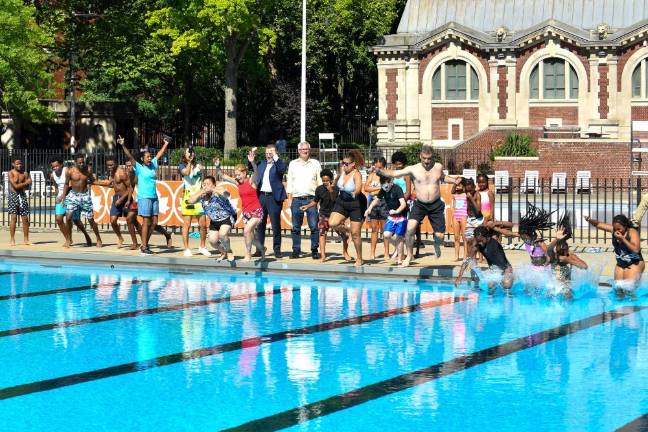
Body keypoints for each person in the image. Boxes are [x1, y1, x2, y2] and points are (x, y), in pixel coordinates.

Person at [376, 146, 462, 267]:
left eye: (429, 159)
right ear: (420, 156)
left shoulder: (438, 167)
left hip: (436, 205)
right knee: (410, 229)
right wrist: (380, 171)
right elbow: (395, 173)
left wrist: (453, 180)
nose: (427, 161)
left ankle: (437, 244)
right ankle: (409, 255)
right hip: (420, 204)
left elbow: (442, 177)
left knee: (440, 236)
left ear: (433, 157)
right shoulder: (413, 169)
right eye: (424, 158)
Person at [119, 136, 171, 255]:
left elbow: (159, 154)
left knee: (154, 222)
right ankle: (144, 247)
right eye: (147, 157)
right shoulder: (139, 167)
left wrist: (166, 144)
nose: (150, 158)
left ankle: (144, 243)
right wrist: (122, 145)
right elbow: (130, 156)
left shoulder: (153, 165)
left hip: (154, 197)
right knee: (146, 221)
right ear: (142, 159)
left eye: (150, 156)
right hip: (144, 197)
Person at [218, 148, 265, 262]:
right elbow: (222, 175)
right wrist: (217, 166)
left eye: (239, 174)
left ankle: (248, 254)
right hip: (246, 213)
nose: (237, 177)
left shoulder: (251, 181)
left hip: (256, 211)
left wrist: (252, 162)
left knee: (246, 231)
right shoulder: (238, 183)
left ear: (245, 173)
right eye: (236, 175)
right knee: (251, 237)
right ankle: (262, 249)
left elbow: (256, 172)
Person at [585, 214, 644, 296]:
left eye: (619, 229)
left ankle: (634, 307)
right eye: (615, 228)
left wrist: (623, 239)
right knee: (618, 291)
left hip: (634, 263)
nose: (617, 231)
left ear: (625, 226)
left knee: (629, 290)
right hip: (621, 264)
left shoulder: (632, 232)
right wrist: (589, 220)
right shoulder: (614, 230)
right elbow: (598, 224)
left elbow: (636, 249)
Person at [248, 143, 287, 258]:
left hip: (273, 197)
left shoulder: (279, 163)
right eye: (267, 153)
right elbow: (251, 168)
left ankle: (277, 250)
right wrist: (251, 159)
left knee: (275, 225)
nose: (268, 155)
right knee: (260, 224)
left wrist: (275, 156)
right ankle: (259, 249)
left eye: (271, 153)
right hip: (261, 197)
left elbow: (282, 169)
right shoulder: (261, 163)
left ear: (275, 153)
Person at [329, 150, 365, 266]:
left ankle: (359, 258)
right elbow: (336, 181)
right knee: (332, 223)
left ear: (353, 164)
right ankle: (347, 231)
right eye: (343, 163)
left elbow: (359, 188)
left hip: (355, 204)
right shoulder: (342, 171)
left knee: (356, 235)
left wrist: (355, 192)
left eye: (346, 164)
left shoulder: (357, 174)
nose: (344, 166)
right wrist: (333, 185)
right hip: (342, 202)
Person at [94, 156, 139, 249]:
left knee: (133, 222)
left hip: (126, 199)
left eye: (111, 165)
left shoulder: (121, 173)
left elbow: (130, 188)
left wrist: (122, 199)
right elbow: (111, 184)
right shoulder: (112, 173)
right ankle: (120, 238)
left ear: (116, 164)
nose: (109, 167)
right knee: (113, 220)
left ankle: (138, 242)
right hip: (116, 198)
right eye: (108, 165)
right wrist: (95, 182)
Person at [187, 176, 237, 261]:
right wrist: (201, 191)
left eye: (208, 184)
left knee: (222, 234)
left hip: (227, 217)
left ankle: (229, 251)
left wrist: (213, 189)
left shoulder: (218, 190)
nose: (206, 186)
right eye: (204, 184)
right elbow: (190, 201)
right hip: (214, 221)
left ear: (214, 184)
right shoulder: (202, 195)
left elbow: (227, 195)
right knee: (213, 241)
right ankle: (223, 252)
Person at [286, 141, 322, 259]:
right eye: (302, 149)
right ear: (298, 151)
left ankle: (314, 250)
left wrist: (319, 200)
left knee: (313, 226)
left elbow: (319, 182)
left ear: (309, 150)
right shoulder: (292, 164)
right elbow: (290, 182)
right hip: (296, 199)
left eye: (306, 149)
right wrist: (289, 198)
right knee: (296, 227)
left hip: (312, 199)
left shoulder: (315, 163)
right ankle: (296, 250)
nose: (304, 151)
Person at [455, 225, 514, 292]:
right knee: (490, 286)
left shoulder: (494, 245)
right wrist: (459, 277)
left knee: (506, 284)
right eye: (477, 240)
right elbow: (467, 260)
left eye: (481, 240)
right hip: (494, 269)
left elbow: (502, 263)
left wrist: (501, 276)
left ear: (486, 237)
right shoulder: (477, 245)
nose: (479, 242)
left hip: (506, 268)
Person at [61, 154, 103, 247]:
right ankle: (68, 239)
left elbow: (93, 181)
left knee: (90, 219)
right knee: (68, 217)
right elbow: (66, 184)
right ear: (75, 162)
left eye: (83, 162)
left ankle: (98, 239)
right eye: (79, 162)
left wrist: (105, 183)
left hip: (84, 196)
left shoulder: (88, 170)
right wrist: (64, 198)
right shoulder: (70, 171)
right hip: (73, 196)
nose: (81, 164)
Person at [364, 175, 407, 265]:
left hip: (401, 217)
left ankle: (399, 260)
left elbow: (403, 204)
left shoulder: (397, 189)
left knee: (398, 237)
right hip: (392, 217)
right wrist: (369, 209)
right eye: (383, 184)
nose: (385, 186)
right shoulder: (383, 189)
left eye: (386, 184)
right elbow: (376, 200)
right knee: (386, 234)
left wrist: (396, 211)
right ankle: (397, 248)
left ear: (391, 182)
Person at [300, 169, 339, 262]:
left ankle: (345, 252)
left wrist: (331, 191)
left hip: (335, 215)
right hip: (323, 214)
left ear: (331, 180)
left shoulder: (336, 189)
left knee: (343, 235)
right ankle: (323, 255)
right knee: (322, 234)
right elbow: (315, 201)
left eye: (327, 180)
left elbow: (335, 200)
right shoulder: (319, 189)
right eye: (323, 180)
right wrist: (307, 206)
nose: (325, 182)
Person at [51, 158, 91, 247]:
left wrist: (63, 196)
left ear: (61, 165)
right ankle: (68, 239)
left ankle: (86, 235)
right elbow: (56, 187)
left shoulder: (67, 171)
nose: (55, 168)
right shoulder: (52, 175)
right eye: (53, 167)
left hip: (71, 197)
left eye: (57, 166)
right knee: (58, 219)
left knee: (76, 221)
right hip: (61, 198)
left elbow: (70, 185)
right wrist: (57, 196)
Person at [178, 147, 209, 257]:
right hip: (188, 197)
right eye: (188, 152)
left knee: (203, 224)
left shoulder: (198, 164)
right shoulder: (181, 165)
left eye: (192, 152)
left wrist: (203, 170)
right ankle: (186, 248)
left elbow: (204, 178)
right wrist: (190, 163)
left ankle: (202, 246)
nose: (191, 154)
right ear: (184, 154)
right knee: (187, 224)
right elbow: (186, 173)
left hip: (199, 196)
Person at [547, 214, 588, 298]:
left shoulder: (570, 256)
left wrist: (569, 260)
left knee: (568, 294)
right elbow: (549, 248)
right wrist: (556, 238)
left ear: (567, 250)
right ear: (556, 250)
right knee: (549, 294)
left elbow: (585, 266)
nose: (562, 253)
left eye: (564, 251)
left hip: (566, 288)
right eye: (559, 251)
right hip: (555, 286)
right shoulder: (553, 257)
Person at [364, 157, 389, 260]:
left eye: (380, 167)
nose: (378, 169)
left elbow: (387, 188)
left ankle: (386, 252)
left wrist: (375, 189)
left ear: (384, 167)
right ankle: (372, 252)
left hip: (384, 202)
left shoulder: (387, 175)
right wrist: (379, 188)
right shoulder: (372, 175)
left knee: (385, 229)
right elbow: (366, 188)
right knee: (374, 229)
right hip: (374, 202)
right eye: (377, 167)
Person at [391, 151, 414, 258]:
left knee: (404, 229)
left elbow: (408, 192)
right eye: (396, 163)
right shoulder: (394, 174)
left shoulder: (406, 174)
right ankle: (399, 250)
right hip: (394, 204)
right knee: (394, 229)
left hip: (404, 204)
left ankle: (408, 253)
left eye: (400, 163)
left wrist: (400, 202)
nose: (398, 165)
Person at [7, 158, 31, 246]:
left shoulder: (24, 173)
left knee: (25, 218)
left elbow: (27, 187)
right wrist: (26, 182)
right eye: (17, 164)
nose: (19, 165)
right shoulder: (10, 173)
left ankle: (26, 239)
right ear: (13, 164)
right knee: (13, 218)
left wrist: (27, 183)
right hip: (13, 196)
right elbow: (15, 186)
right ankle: (12, 239)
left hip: (22, 195)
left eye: (20, 163)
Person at [451, 178, 468, 261]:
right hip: (456, 216)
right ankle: (456, 256)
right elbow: (453, 207)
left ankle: (465, 256)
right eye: (456, 185)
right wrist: (452, 218)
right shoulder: (454, 195)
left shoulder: (466, 195)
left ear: (463, 186)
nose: (457, 187)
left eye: (459, 185)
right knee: (456, 237)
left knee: (465, 237)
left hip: (464, 216)